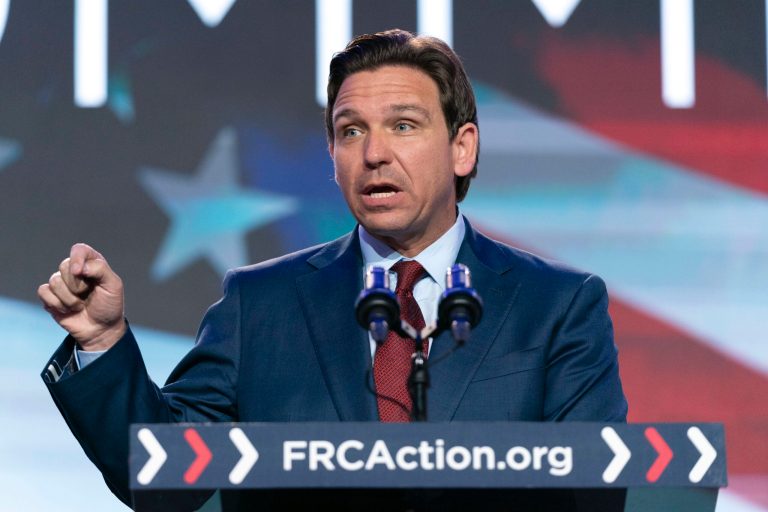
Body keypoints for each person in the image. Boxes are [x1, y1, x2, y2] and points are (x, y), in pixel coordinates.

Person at [38, 29, 627, 511]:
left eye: (403, 125)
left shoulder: (557, 307)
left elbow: (593, 496)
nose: (373, 153)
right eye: (351, 131)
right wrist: (102, 340)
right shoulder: (260, 304)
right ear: (333, 157)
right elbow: (160, 480)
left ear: (462, 147)